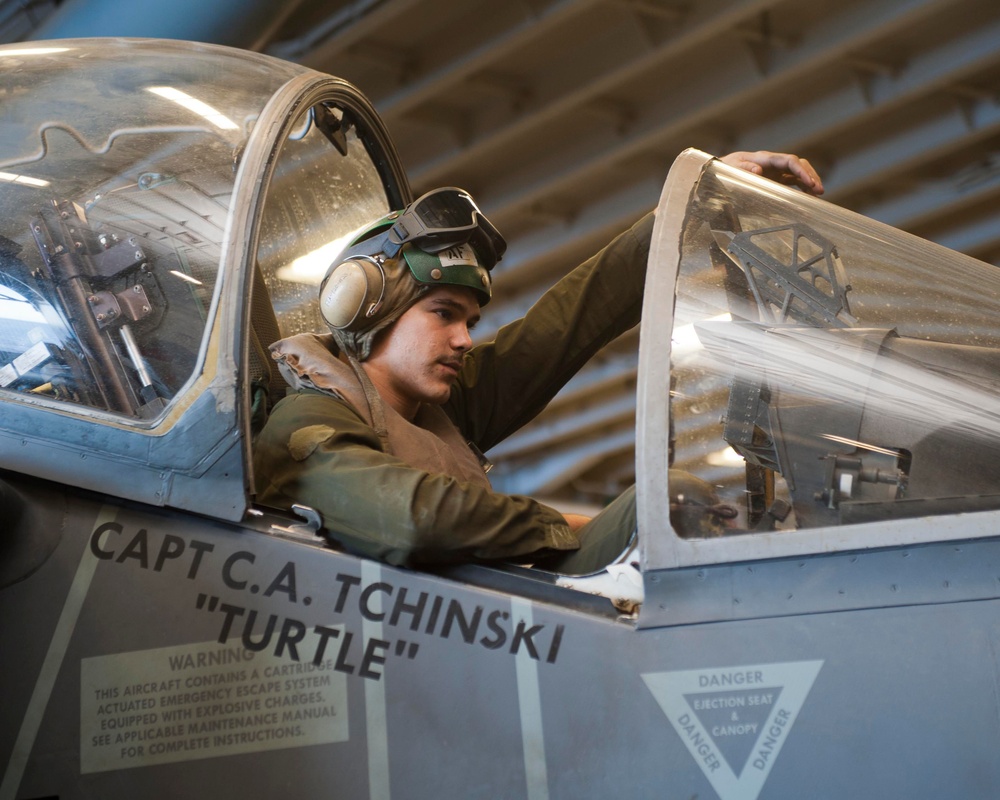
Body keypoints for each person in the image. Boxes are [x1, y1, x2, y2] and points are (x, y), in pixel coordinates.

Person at [253, 151, 823, 573]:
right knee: (669, 496)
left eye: (470, 322)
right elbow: (415, 519)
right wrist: (565, 528)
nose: (463, 339)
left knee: (678, 500)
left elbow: (569, 321)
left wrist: (694, 203)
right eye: (444, 313)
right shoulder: (304, 423)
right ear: (367, 307)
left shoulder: (440, 414)